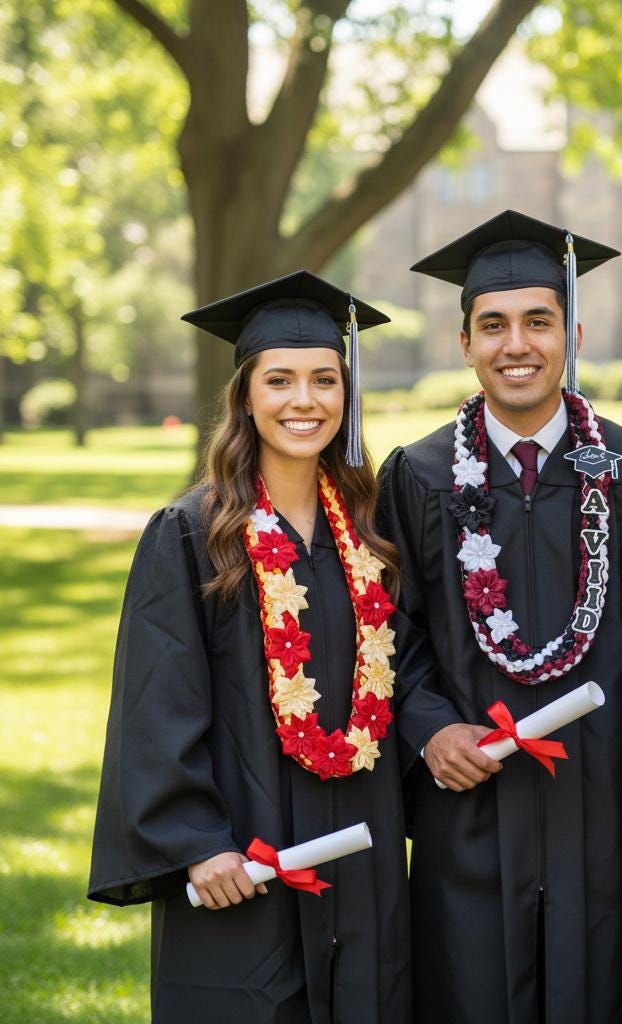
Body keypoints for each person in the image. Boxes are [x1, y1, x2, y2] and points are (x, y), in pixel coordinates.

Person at [89, 271, 423, 1023]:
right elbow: (156, 701)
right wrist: (196, 842)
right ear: (244, 395)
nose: (304, 401)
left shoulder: (369, 534)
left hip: (359, 857)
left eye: (324, 380)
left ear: (348, 391)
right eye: (280, 380)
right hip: (243, 857)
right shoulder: (192, 534)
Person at [377, 209, 622, 1023]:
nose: (518, 345)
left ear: (570, 332)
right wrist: (430, 728)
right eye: (494, 325)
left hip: (606, 804)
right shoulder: (419, 474)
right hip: (470, 808)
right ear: (463, 342)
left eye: (538, 322)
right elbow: (388, 635)